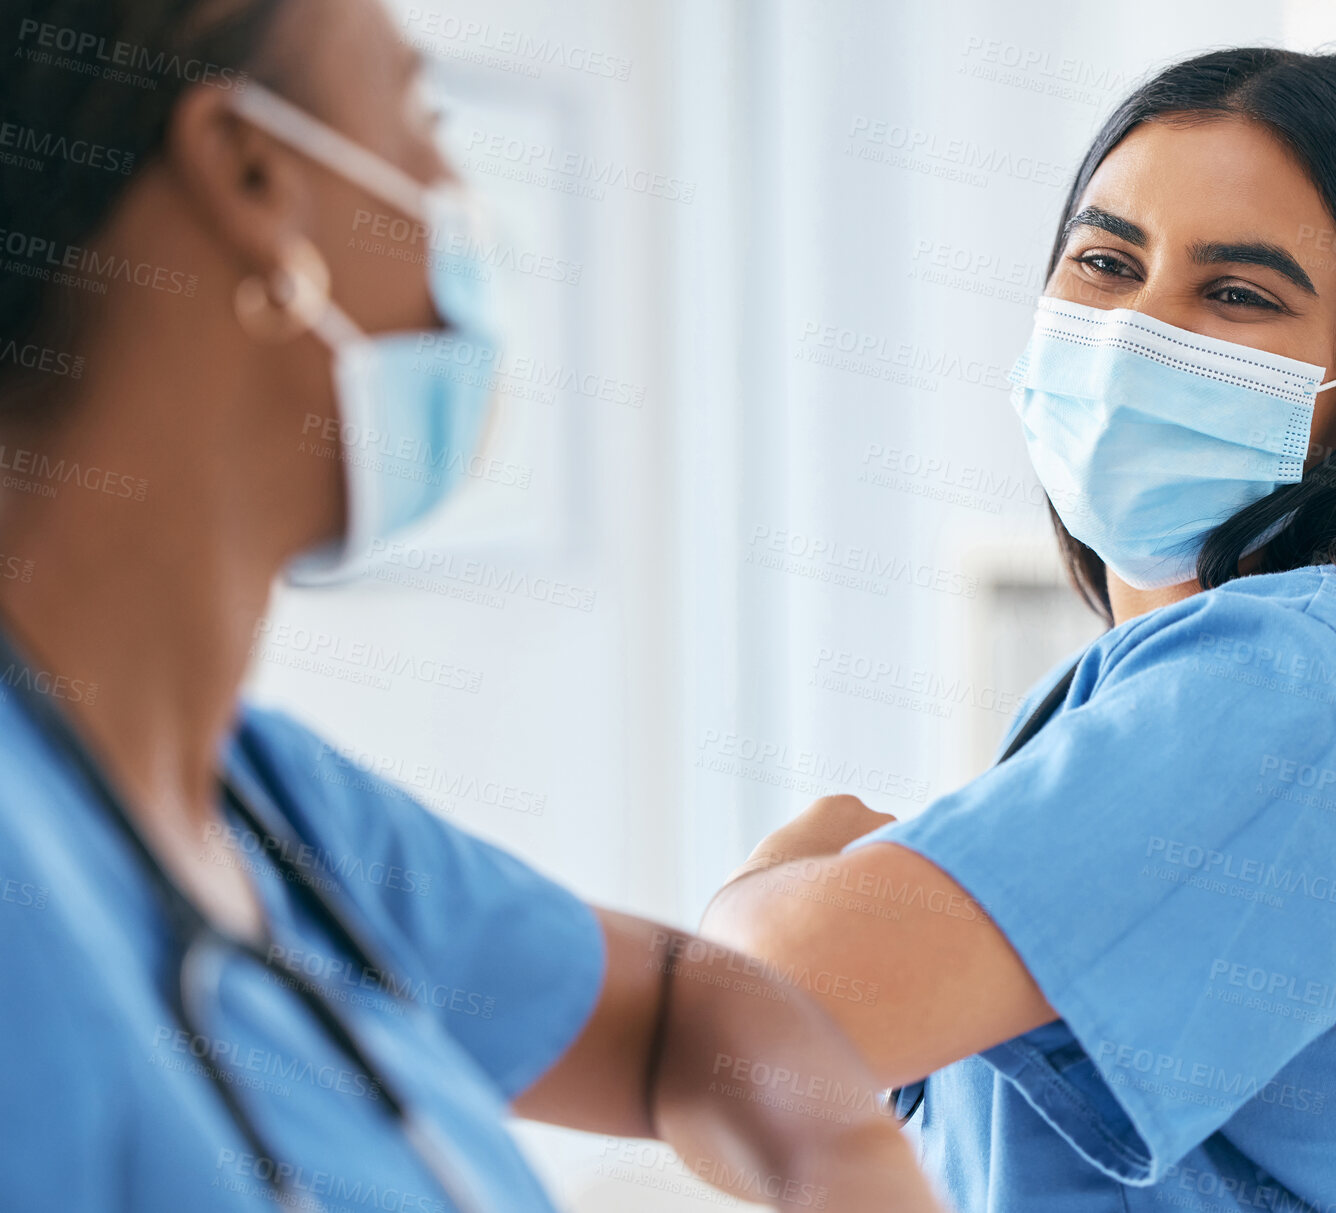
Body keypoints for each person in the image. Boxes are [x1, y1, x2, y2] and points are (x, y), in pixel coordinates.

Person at [0, 1, 947, 1210]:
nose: (451, 196)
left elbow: (683, 1008)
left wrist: (846, 1163)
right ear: (251, 174)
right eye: (418, 120)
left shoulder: (262, 805)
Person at [701, 48, 1336, 1212]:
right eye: (1106, 262)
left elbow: (751, 1035)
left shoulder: (1314, 675)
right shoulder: (1147, 698)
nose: (1133, 334)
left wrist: (767, 886)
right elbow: (769, 1126)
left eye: (1238, 294)